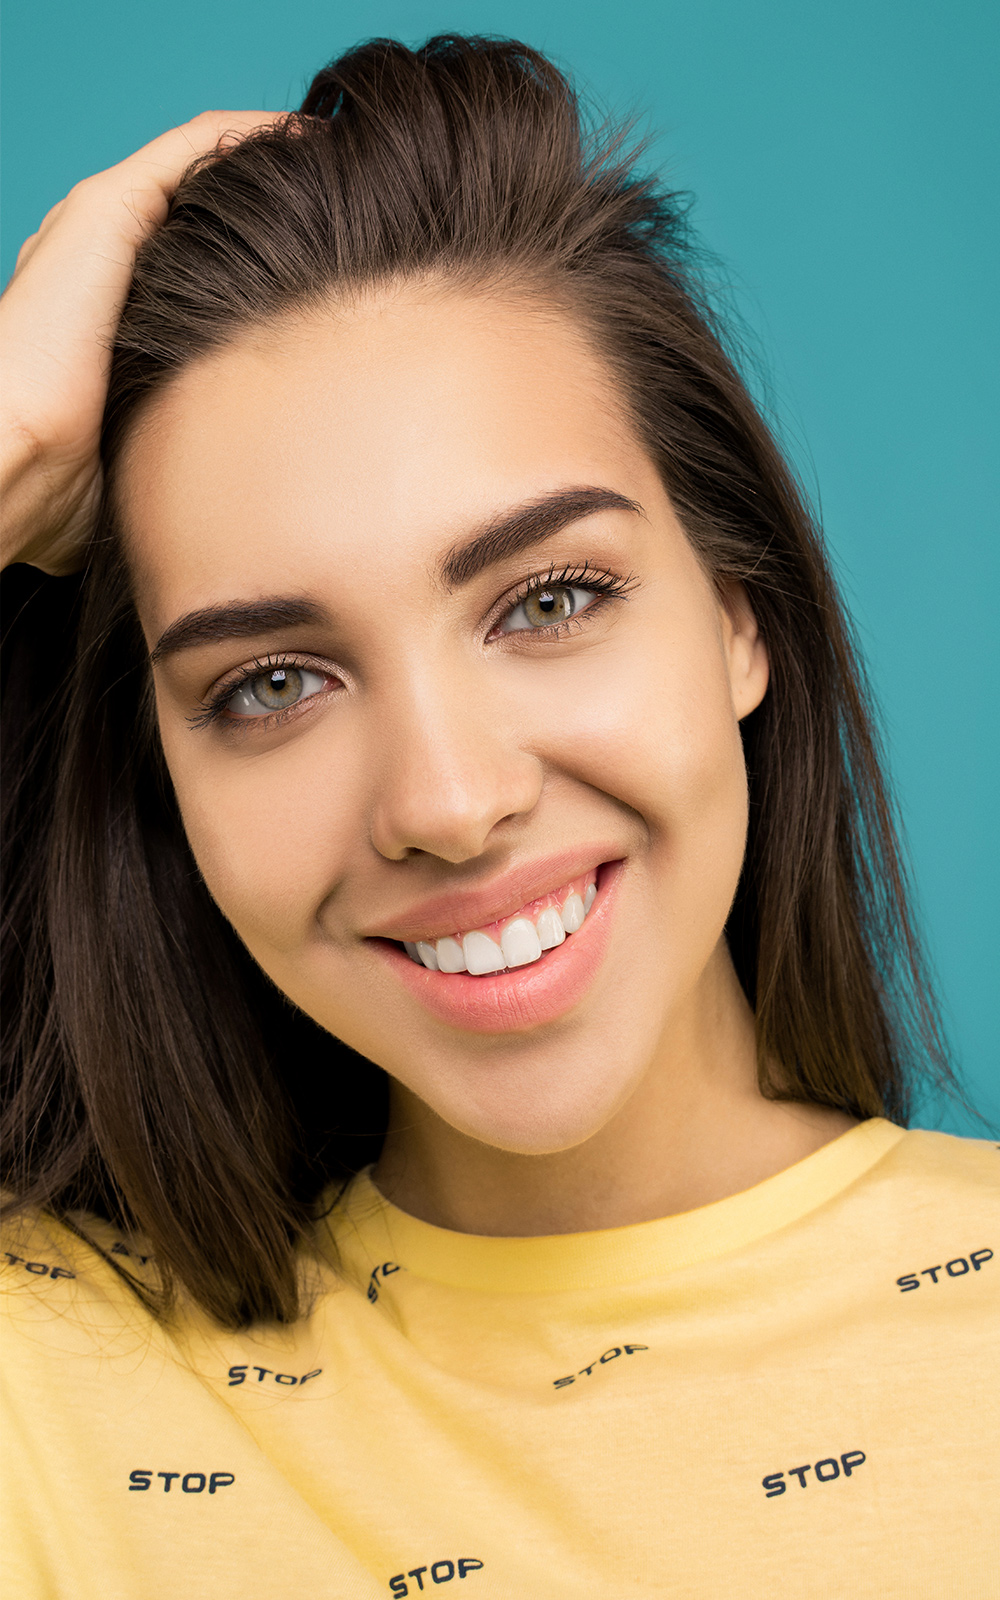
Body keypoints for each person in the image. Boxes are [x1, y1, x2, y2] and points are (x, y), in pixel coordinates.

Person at [1, 34, 995, 1600]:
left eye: (548, 598)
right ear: (161, 774)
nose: (450, 805)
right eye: (270, 684)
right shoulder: (35, 1385)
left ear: (744, 616)